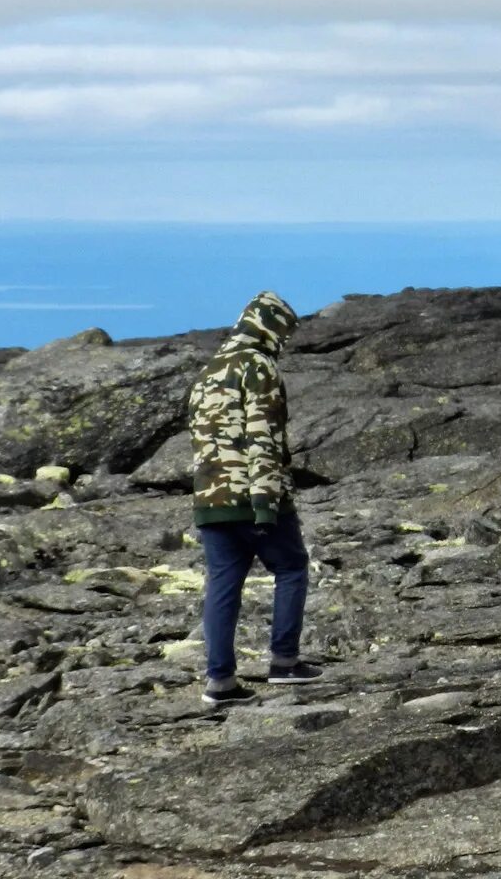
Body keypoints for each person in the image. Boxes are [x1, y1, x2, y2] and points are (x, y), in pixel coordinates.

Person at [188, 291, 322, 707]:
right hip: (253, 495)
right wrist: (266, 502)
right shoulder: (257, 366)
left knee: (224, 583)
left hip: (210, 498)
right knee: (292, 566)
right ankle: (284, 661)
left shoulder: (208, 372)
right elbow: (261, 436)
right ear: (272, 328)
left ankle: (220, 681)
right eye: (283, 330)